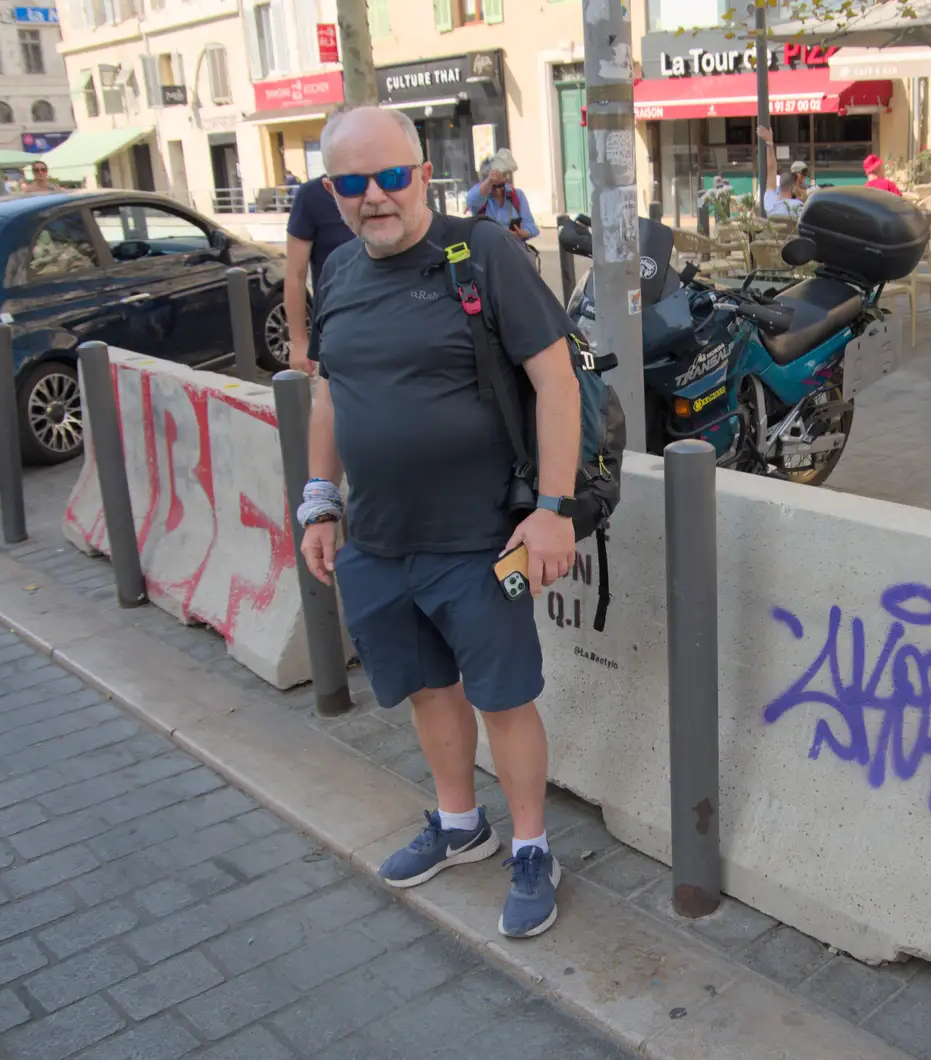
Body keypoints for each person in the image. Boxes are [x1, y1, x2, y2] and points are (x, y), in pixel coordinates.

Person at [299, 105, 581, 938]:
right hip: (380, 541)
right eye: (354, 183)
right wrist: (320, 499)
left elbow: (557, 383)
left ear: (425, 175)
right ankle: (461, 825)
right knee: (427, 689)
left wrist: (552, 511)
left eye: (392, 177)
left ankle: (532, 847)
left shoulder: (481, 252)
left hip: (481, 539)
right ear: (331, 191)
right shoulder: (339, 274)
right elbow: (328, 392)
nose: (375, 197)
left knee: (504, 698)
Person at [285, 168, 357, 373]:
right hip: (338, 329)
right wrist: (299, 342)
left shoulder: (387, 186)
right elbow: (295, 274)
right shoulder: (312, 196)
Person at [466, 148, 539, 241]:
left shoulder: (517, 195)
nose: (497, 191)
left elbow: (532, 226)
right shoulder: (479, 195)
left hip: (513, 250)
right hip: (488, 251)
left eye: (501, 186)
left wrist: (524, 233)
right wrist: (490, 181)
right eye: (493, 187)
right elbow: (472, 201)